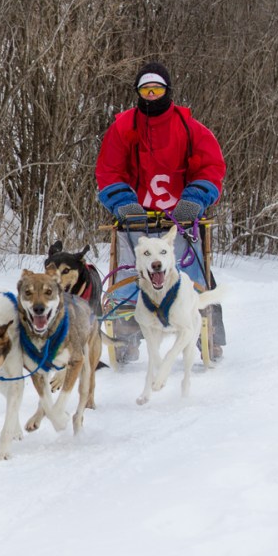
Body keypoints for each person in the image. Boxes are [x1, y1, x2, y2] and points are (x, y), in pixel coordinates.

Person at [94, 62, 227, 361]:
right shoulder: (124, 127)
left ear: (168, 91)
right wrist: (123, 202)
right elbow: (109, 170)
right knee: (131, 275)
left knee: (195, 274)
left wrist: (194, 200)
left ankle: (209, 335)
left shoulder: (190, 128)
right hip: (136, 219)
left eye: (157, 89)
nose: (152, 96)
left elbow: (211, 167)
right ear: (138, 93)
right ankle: (127, 336)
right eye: (146, 90)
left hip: (180, 220)